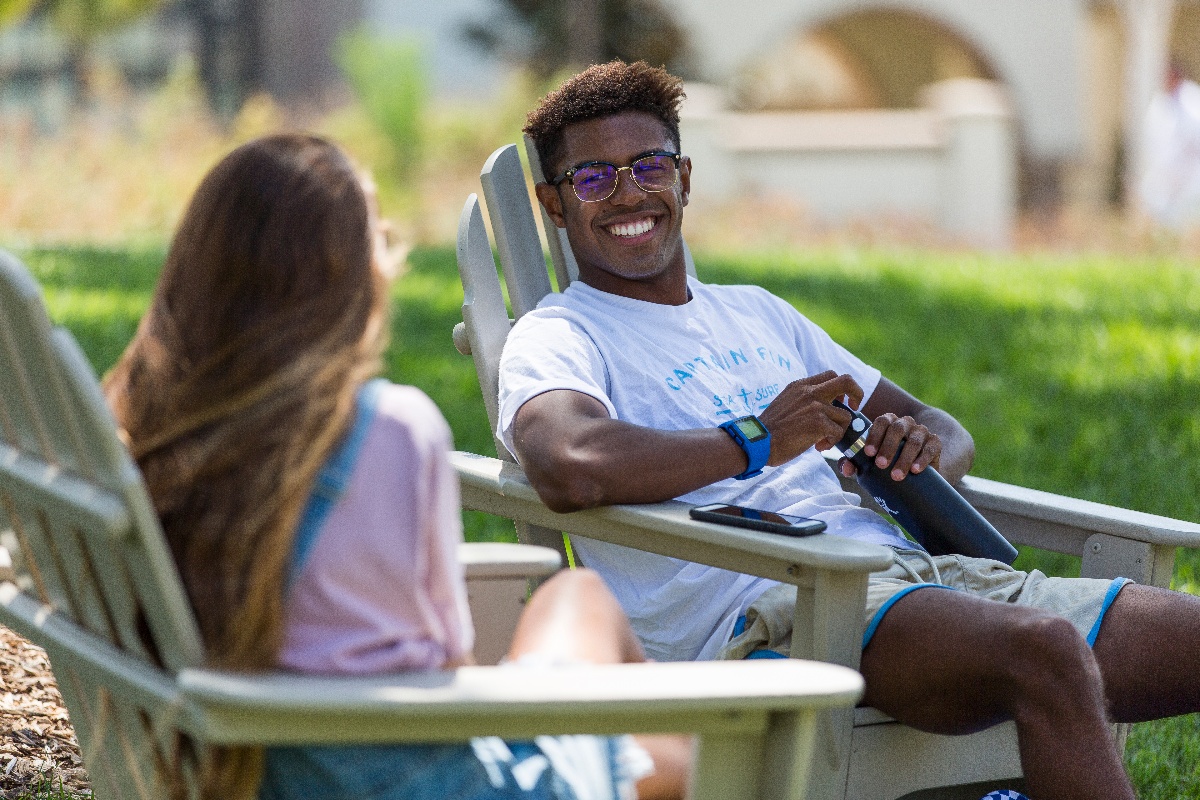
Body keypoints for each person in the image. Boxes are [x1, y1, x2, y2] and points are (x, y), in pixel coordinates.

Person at [496, 60, 1200, 800]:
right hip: (782, 613)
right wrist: (756, 439)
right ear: (554, 204)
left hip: (919, 580)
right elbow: (569, 460)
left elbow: (935, 423)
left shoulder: (756, 312)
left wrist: (923, 452)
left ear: (685, 177)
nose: (628, 194)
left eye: (648, 166)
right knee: (1045, 651)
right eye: (593, 178)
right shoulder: (559, 335)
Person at [103, 134, 689, 800]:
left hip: (266, 770)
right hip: (426, 780)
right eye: (377, 238)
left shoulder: (144, 432)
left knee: (578, 594)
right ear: (353, 272)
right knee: (688, 750)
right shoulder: (384, 431)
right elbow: (450, 663)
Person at [1138, 61, 1200, 228]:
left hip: (1192, 177)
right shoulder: (1159, 104)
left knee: (1189, 221)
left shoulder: (1193, 100)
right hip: (1166, 180)